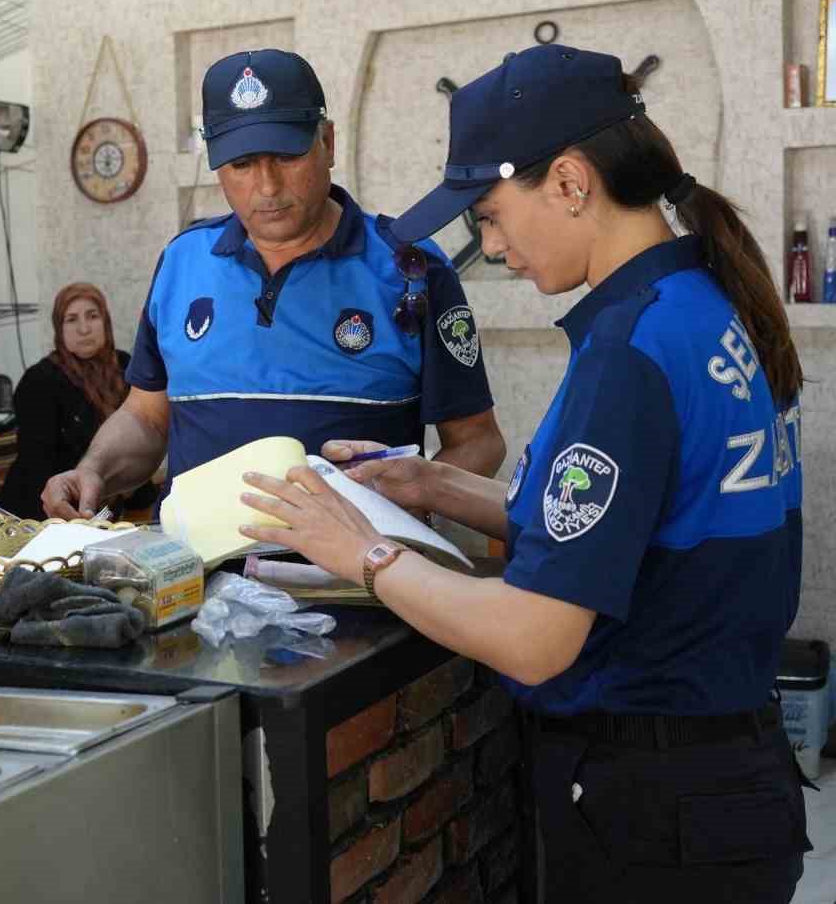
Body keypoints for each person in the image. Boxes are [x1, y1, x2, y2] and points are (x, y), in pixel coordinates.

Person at [242, 45, 809, 901]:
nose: (495, 247)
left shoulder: (630, 354)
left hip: (653, 810)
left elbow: (535, 640)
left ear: (571, 183)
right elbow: (631, 526)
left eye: (492, 216)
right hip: (723, 780)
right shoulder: (703, 304)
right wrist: (434, 486)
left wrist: (363, 553)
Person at [42, 48, 505, 520]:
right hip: (188, 564)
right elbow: (146, 417)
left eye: (286, 156)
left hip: (354, 566)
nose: (266, 186)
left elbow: (478, 443)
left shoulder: (411, 269)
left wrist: (395, 528)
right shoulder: (183, 261)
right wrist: (94, 470)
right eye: (241, 164)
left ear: (327, 143)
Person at [0, 283, 155, 519]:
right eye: (71, 320)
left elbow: (139, 439)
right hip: (41, 512)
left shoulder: (125, 367)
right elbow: (37, 466)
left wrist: (139, 500)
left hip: (100, 510)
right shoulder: (40, 380)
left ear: (105, 321)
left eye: (92, 316)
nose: (84, 329)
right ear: (59, 329)